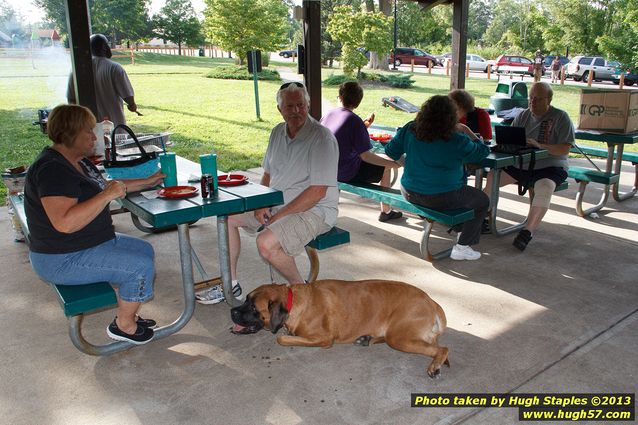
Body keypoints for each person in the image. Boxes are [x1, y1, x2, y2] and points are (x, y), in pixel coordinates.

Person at [24, 104, 165, 344]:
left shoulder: (78, 161)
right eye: (88, 131)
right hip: (61, 258)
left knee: (144, 250)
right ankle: (123, 326)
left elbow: (111, 188)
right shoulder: (53, 170)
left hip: (87, 243)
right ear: (70, 134)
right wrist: (106, 196)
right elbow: (65, 223)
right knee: (139, 267)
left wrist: (150, 180)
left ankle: (127, 310)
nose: (94, 136)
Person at [195, 82, 339, 304]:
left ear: (308, 105)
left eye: (301, 105)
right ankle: (230, 285)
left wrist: (278, 216)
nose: (296, 111)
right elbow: (268, 175)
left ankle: (303, 296)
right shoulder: (276, 133)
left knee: (266, 243)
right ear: (279, 109)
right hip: (277, 204)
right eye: (289, 106)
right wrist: (261, 203)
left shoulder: (322, 138)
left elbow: (317, 192)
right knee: (227, 218)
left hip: (315, 210)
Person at [384, 95, 490, 261]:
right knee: (482, 200)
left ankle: (460, 229)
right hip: (442, 196)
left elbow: (390, 151)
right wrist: (469, 132)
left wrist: (410, 165)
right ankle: (462, 246)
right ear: (451, 117)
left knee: (460, 198)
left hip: (409, 191)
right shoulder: (456, 139)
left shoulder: (410, 129)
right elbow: (482, 153)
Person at [483, 82, 574, 251]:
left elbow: (565, 148)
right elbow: (512, 138)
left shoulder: (561, 117)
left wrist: (541, 146)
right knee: (492, 176)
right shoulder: (522, 115)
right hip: (522, 165)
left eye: (538, 99)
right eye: (531, 98)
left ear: (549, 100)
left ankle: (527, 231)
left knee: (544, 187)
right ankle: (483, 218)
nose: (533, 102)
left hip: (551, 166)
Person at [321, 81, 402, 222]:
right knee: (386, 166)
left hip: (327, 168)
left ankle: (386, 209)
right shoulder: (354, 120)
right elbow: (366, 156)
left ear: (340, 96)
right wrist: (393, 164)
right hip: (345, 172)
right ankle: (386, 211)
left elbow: (341, 135)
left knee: (382, 160)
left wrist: (364, 126)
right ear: (358, 102)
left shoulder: (328, 115)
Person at [67, 34, 137, 127]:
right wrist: (132, 105)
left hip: (88, 127)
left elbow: (71, 99)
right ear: (104, 47)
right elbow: (128, 96)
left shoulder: (77, 70)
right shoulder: (114, 67)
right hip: (114, 125)